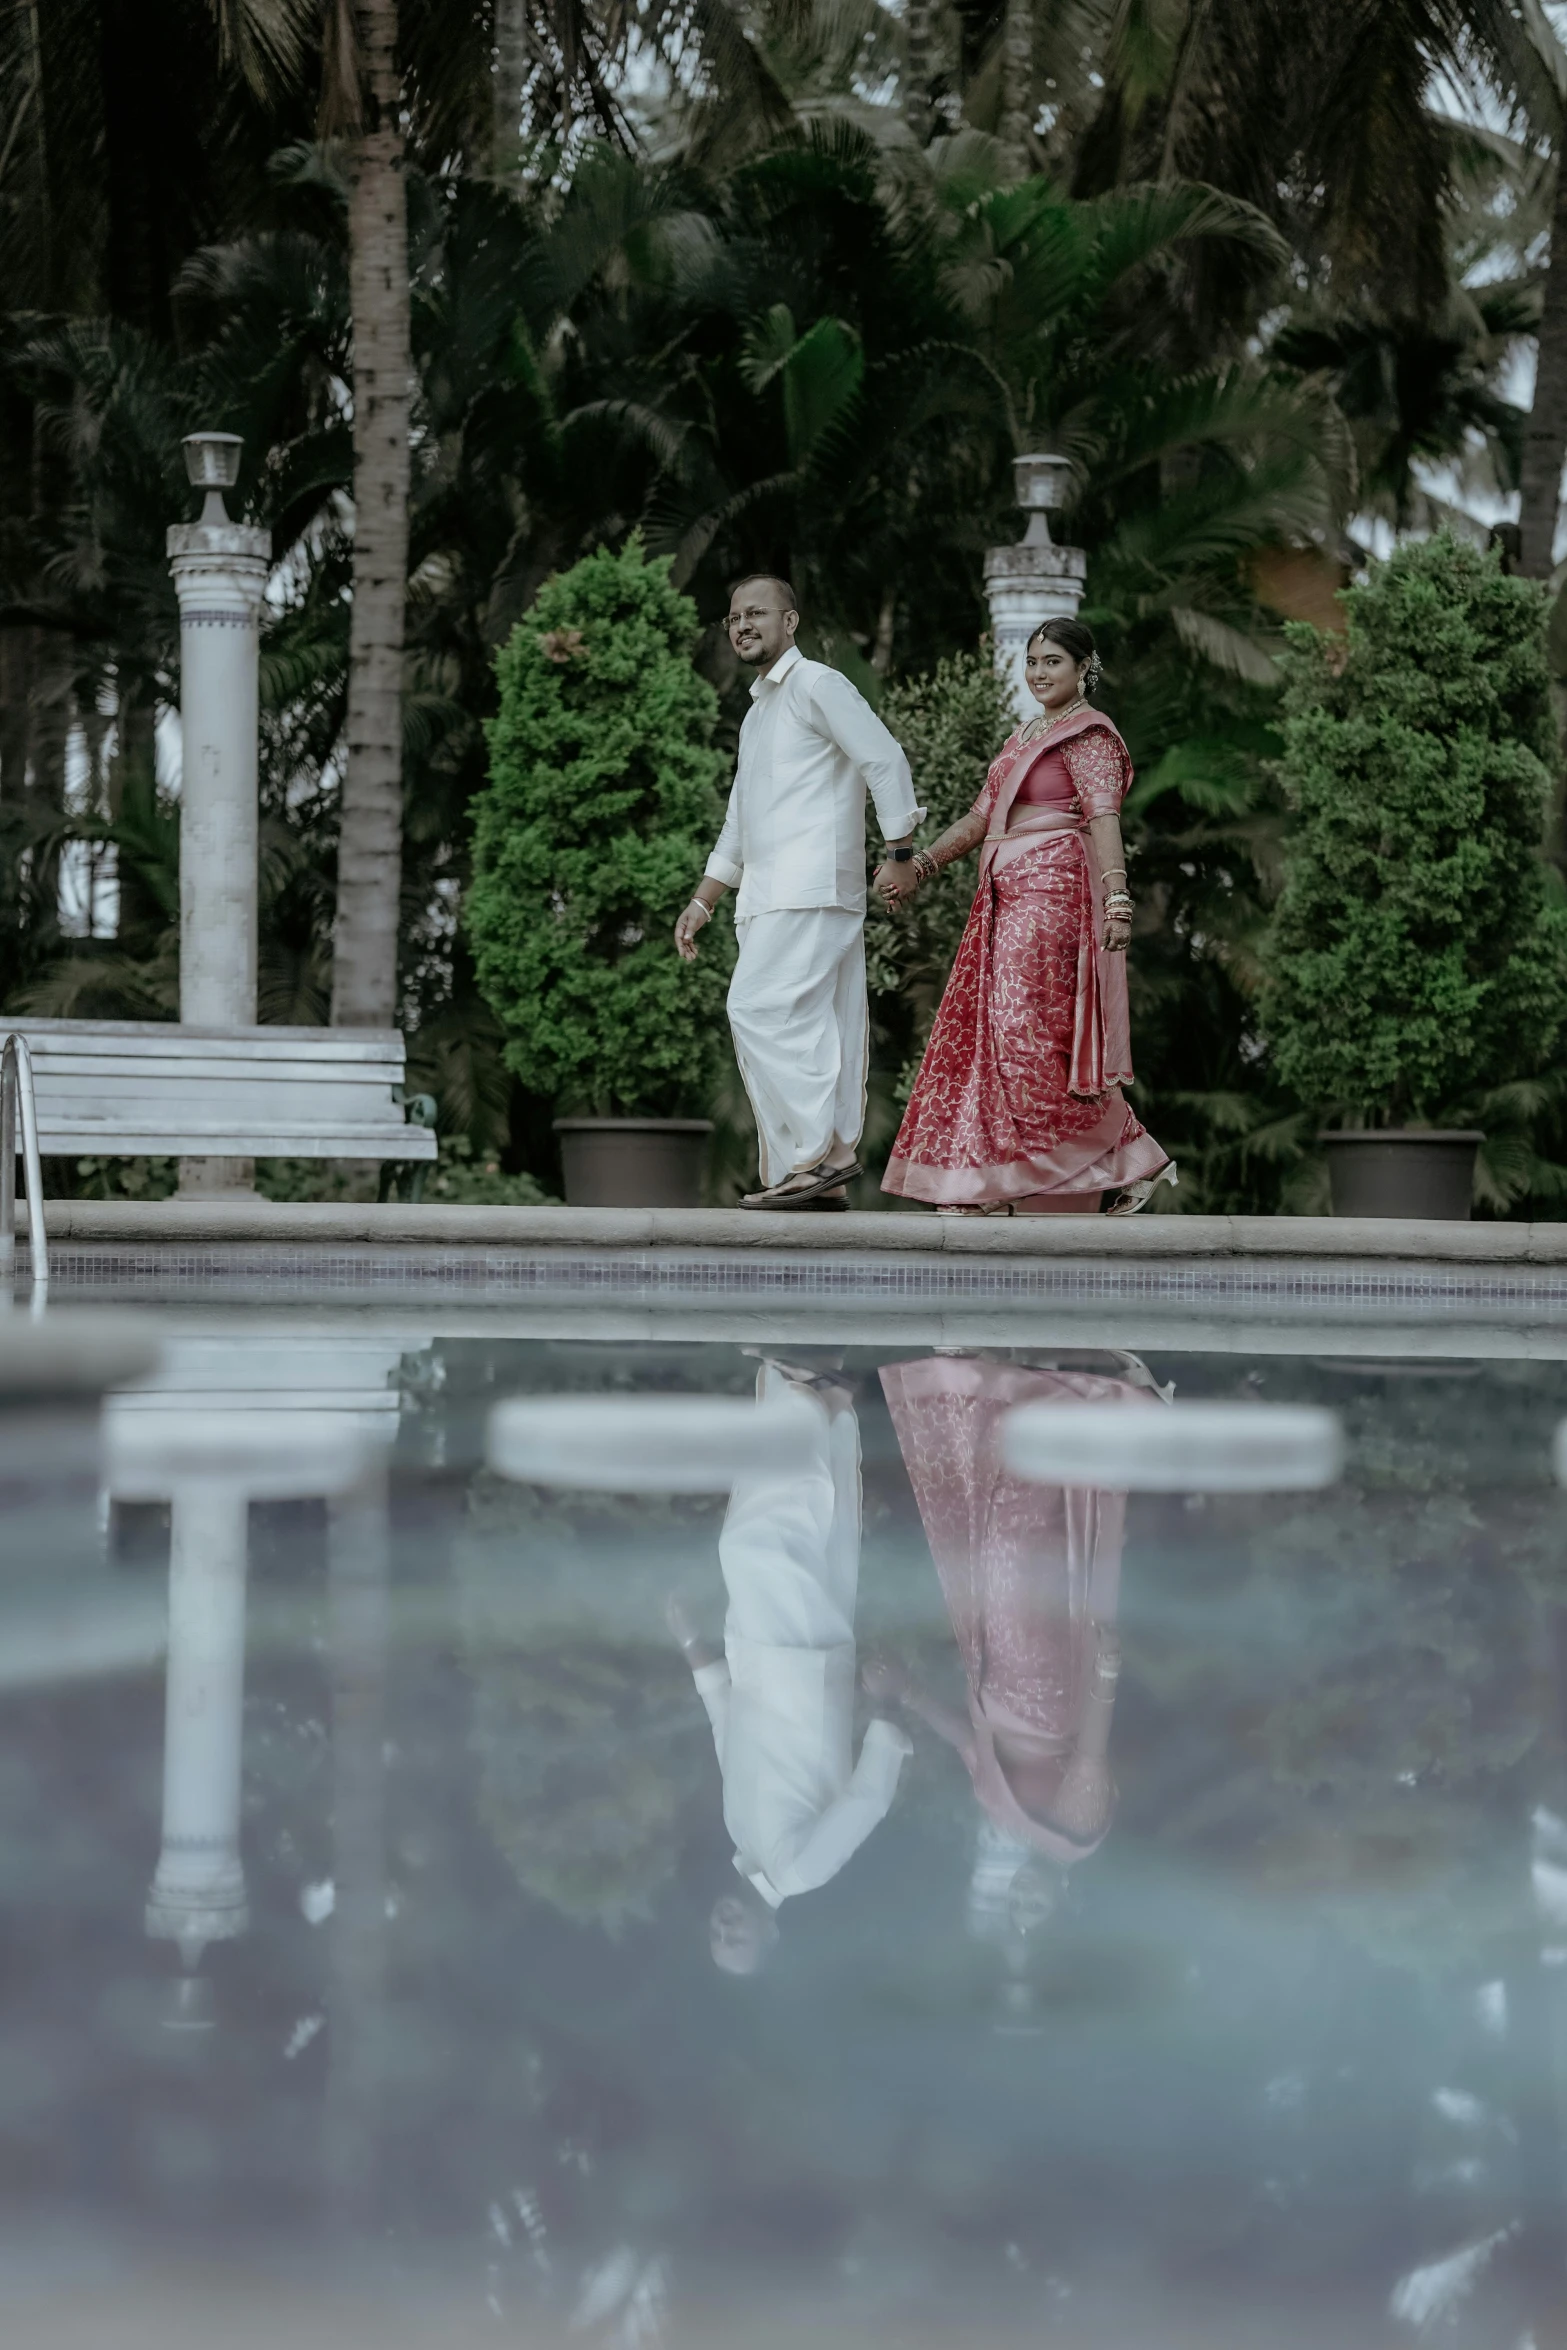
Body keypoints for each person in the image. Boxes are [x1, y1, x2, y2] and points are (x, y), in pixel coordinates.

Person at [879, 617, 1175, 1215]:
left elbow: (1104, 819)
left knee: (1021, 1034)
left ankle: (1004, 1180)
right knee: (1001, 1033)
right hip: (1004, 896)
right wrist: (922, 864)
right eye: (1033, 663)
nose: (1039, 674)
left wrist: (1118, 896)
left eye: (1053, 663)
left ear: (1084, 667)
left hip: (1053, 893)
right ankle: (1124, 1160)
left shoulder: (1089, 737)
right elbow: (979, 818)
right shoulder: (1026, 734)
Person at [872, 1349, 1168, 1916]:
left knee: (985, 1538)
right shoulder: (1076, 1840)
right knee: (1021, 1538)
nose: (1023, 1902)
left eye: (1016, 1908)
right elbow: (1090, 1758)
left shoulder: (1003, 1817)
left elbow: (968, 1743)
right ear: (1059, 1901)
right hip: (1044, 1697)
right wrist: (1106, 1672)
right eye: (1036, 1913)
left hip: (990, 1676)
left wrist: (907, 1690)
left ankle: (1019, 1384)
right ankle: (1051, 1401)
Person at [673, 576, 923, 1209]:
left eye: (756, 612)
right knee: (819, 1025)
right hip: (769, 895)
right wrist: (704, 900)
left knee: (756, 1008)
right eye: (733, 616)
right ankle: (819, 1177)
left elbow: (884, 760)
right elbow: (740, 818)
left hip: (809, 888)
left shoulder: (817, 684)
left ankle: (823, 1157)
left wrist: (899, 853)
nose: (742, 624)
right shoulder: (759, 713)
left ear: (791, 621)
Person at [668, 1360, 912, 1975]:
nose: (724, 1929)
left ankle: (824, 1404)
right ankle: (813, 1399)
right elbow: (867, 1801)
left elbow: (729, 1729)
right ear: (768, 1935)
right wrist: (887, 1706)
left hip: (760, 1656)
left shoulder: (741, 1837)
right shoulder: (801, 1872)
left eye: (716, 1938)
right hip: (803, 1666)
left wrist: (693, 1646)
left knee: (803, 1538)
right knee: (753, 1545)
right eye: (738, 1941)